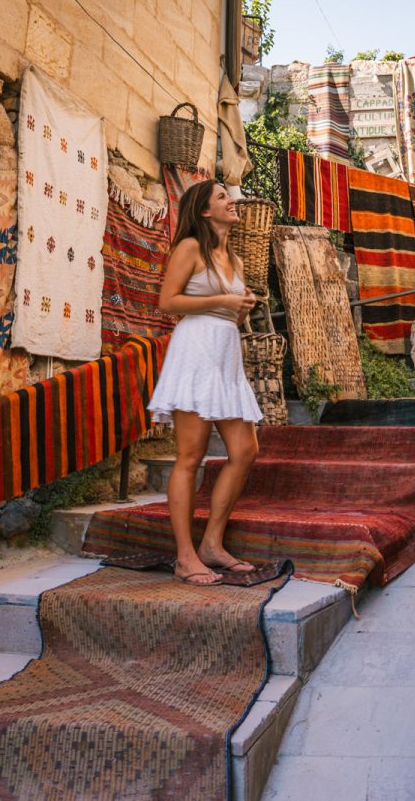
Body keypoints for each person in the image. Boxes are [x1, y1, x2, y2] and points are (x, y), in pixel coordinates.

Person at [149, 179, 262, 585]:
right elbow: (168, 302)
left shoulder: (234, 258)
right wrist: (223, 301)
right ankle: (184, 557)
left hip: (225, 355)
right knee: (190, 456)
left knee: (245, 449)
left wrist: (242, 307)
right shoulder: (190, 248)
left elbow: (232, 315)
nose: (231, 201)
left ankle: (211, 544)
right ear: (203, 211)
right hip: (195, 352)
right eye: (221, 197)